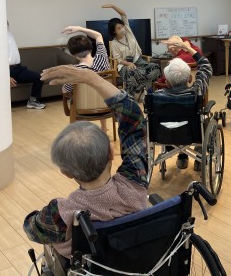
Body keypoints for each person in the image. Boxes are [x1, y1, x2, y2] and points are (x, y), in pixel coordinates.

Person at [23, 65, 148, 259]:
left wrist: (33, 218)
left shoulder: (60, 214)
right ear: (111, 153)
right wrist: (92, 78)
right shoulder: (134, 183)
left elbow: (31, 229)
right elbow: (133, 118)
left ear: (65, 172)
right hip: (140, 262)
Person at [158, 37, 212, 170]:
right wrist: (188, 47)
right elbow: (206, 66)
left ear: (167, 81)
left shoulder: (157, 96)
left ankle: (181, 156)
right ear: (189, 78)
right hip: (193, 132)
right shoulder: (197, 92)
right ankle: (199, 155)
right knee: (205, 118)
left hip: (167, 135)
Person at [102, 4, 161, 99]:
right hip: (124, 65)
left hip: (138, 60)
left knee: (155, 67)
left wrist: (113, 6)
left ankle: (139, 88)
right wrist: (128, 63)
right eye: (119, 28)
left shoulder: (128, 32)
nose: (122, 29)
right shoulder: (114, 43)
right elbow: (118, 59)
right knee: (131, 72)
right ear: (114, 31)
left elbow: (123, 14)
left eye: (122, 26)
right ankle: (131, 97)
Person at [61, 25, 111, 133]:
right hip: (106, 105)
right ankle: (104, 127)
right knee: (100, 91)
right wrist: (79, 28)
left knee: (74, 96)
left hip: (83, 108)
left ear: (73, 55)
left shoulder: (75, 71)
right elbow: (98, 35)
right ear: (90, 48)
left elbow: (65, 91)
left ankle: (79, 130)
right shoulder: (102, 58)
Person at [8, 21, 46, 109]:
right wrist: (6, 77)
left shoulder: (9, 34)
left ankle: (32, 101)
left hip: (18, 68)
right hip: (7, 71)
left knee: (39, 77)